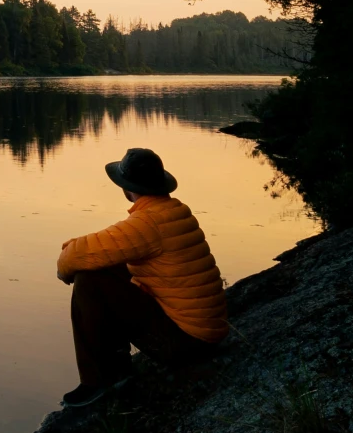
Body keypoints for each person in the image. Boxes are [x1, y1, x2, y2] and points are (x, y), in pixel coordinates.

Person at [55, 146, 228, 409]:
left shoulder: (148, 223)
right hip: (206, 333)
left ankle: (100, 380)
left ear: (127, 188)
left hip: (186, 344)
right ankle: (116, 366)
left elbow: (75, 257)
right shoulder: (173, 210)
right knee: (107, 266)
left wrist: (65, 267)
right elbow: (103, 247)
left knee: (89, 280)